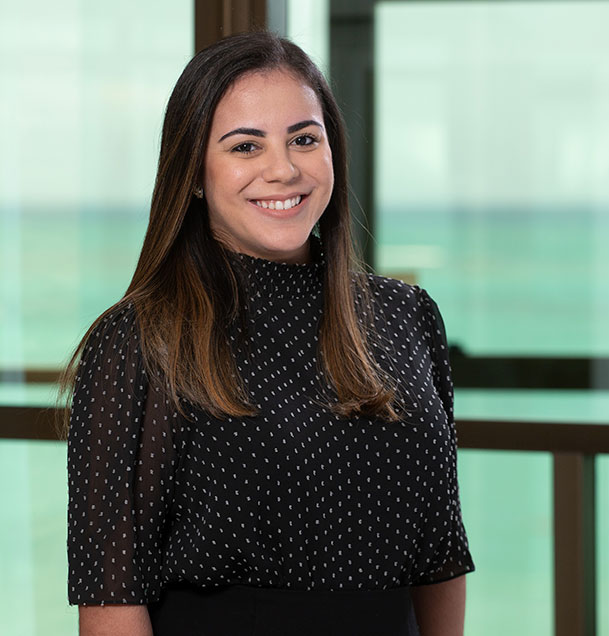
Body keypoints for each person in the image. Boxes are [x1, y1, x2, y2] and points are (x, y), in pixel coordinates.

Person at [63, 30, 474, 636]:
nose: (282, 170)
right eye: (245, 147)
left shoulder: (407, 315)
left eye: (304, 139)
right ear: (195, 174)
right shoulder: (138, 341)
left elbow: (440, 552)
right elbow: (111, 596)